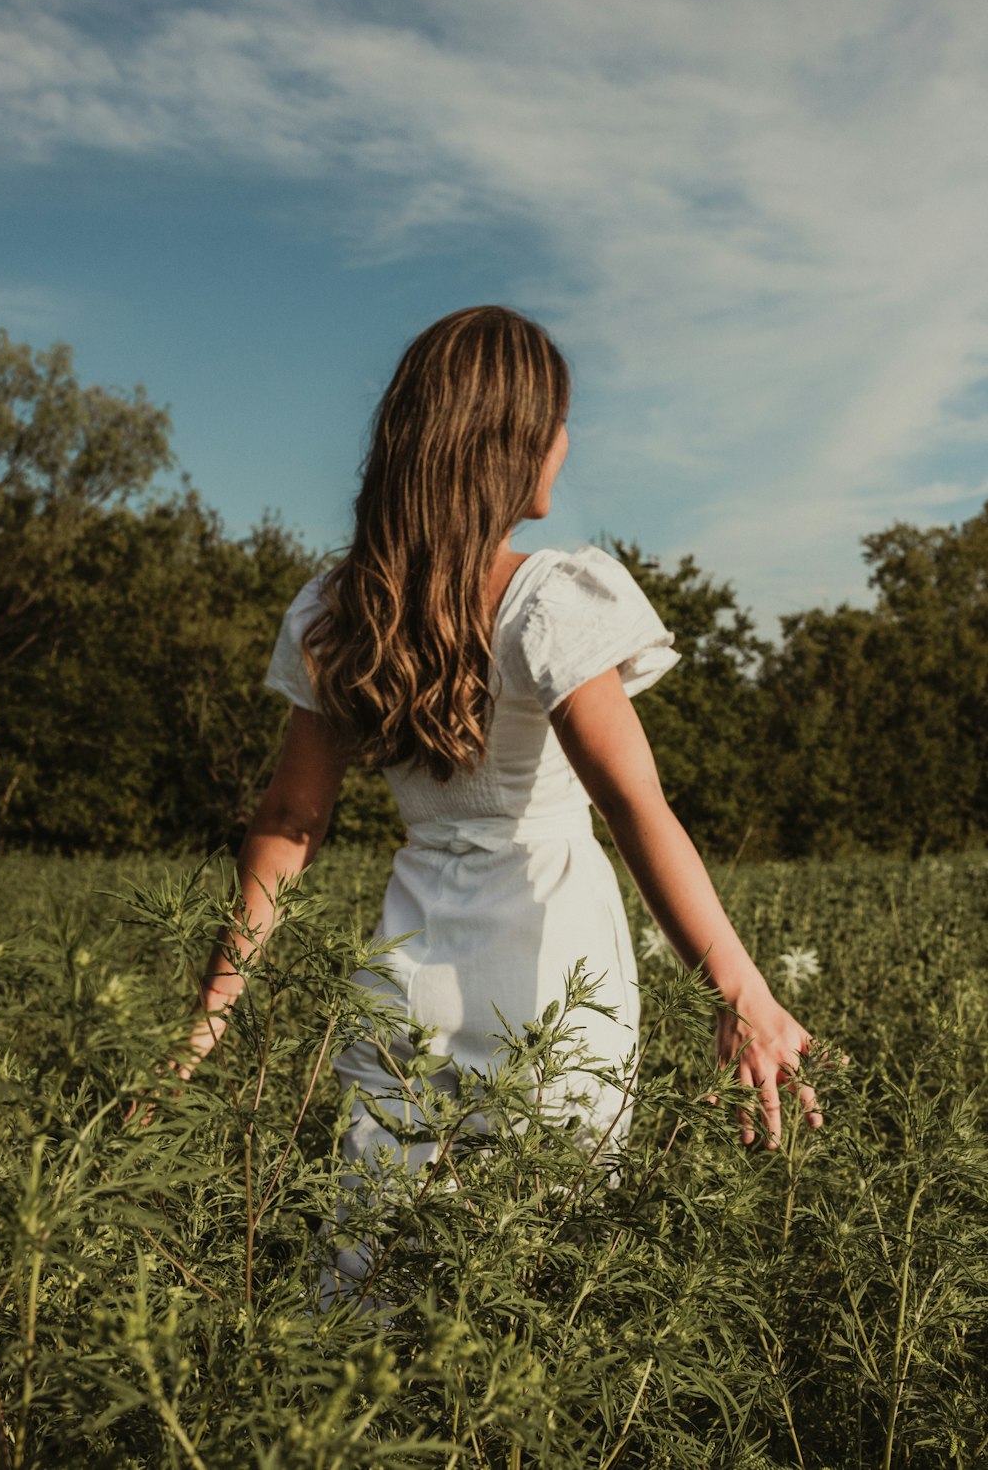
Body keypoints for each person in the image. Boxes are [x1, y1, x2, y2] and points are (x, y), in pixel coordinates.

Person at [183, 304, 827, 1192]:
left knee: (376, 1273)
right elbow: (635, 805)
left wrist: (208, 1015)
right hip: (554, 979)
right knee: (537, 1273)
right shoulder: (548, 600)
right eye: (556, 420)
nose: (565, 440)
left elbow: (291, 820)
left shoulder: (342, 611)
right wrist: (742, 993)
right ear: (510, 440)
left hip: (406, 972)